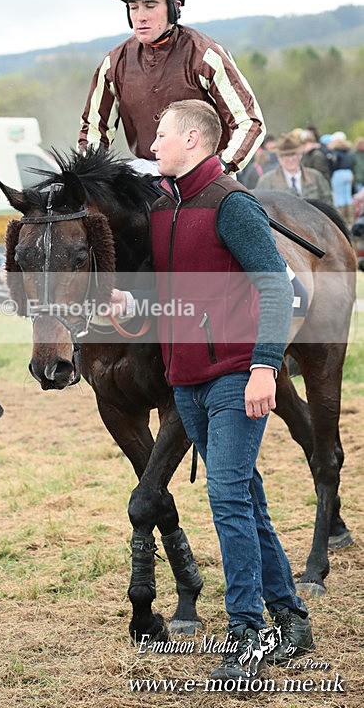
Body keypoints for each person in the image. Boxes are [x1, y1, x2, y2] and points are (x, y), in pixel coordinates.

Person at [107, 100, 313, 685]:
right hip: (187, 381)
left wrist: (266, 367)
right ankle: (292, 616)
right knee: (246, 497)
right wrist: (138, 303)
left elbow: (275, 289)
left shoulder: (233, 204)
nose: (153, 147)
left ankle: (247, 633)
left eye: (162, 136)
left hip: (237, 375)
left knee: (227, 498)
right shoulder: (167, 207)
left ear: (194, 139)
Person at [78, 0, 265, 176]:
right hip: (147, 174)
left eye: (150, 5)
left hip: (203, 177)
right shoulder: (114, 63)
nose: (140, 17)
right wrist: (92, 178)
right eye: (133, 7)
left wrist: (222, 166)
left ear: (174, 7)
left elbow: (250, 123)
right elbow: (94, 132)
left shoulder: (205, 54)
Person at [255, 132, 333, 204]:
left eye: (293, 154)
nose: (290, 159)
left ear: (300, 155)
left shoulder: (316, 177)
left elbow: (329, 205)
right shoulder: (266, 181)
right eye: (285, 156)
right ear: (278, 157)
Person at [329, 131, 354, 224]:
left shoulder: (336, 151)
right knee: (348, 197)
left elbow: (334, 164)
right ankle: (350, 219)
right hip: (348, 173)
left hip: (338, 173)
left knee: (339, 198)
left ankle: (342, 220)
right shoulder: (347, 150)